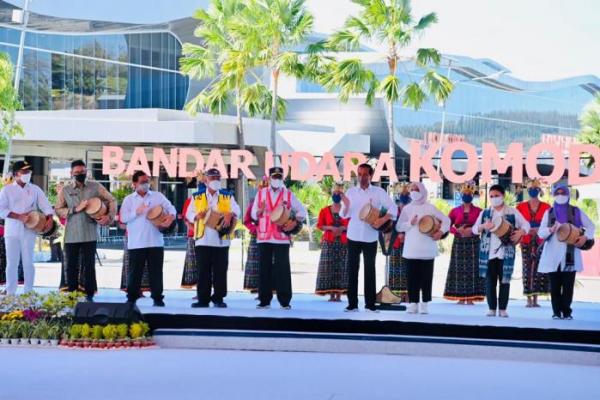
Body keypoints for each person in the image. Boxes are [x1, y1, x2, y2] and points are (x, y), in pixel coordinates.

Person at [56, 160, 116, 301]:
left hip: (89, 233)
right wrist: (74, 209)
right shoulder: (66, 190)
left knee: (89, 266)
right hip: (71, 235)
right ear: (71, 173)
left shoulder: (95, 187)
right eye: (76, 173)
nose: (80, 175)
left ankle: (89, 296)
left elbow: (112, 200)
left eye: (82, 172)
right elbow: (58, 209)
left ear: (86, 171)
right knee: (71, 266)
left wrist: (109, 217)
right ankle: (71, 295)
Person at [340, 163, 396, 312]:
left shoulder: (378, 192)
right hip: (353, 235)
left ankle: (370, 304)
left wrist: (383, 220)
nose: (362, 177)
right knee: (352, 269)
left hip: (370, 236)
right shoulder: (351, 192)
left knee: (370, 270)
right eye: (359, 174)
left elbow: (393, 208)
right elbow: (343, 214)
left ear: (370, 176)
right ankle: (352, 304)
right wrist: (345, 205)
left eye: (365, 174)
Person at [251, 167, 306, 310]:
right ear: (269, 178)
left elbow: (302, 211)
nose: (277, 179)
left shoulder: (288, 194)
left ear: (282, 178)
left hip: (281, 236)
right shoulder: (261, 193)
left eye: (279, 177)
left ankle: (285, 300)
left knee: (283, 269)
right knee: (264, 269)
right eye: (274, 177)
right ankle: (264, 300)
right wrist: (260, 211)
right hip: (264, 236)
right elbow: (252, 215)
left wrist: (294, 222)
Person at [538, 184, 595, 320]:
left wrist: (585, 236)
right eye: (558, 193)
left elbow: (591, 226)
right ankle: (556, 312)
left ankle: (567, 311)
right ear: (553, 195)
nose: (560, 195)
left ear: (568, 195)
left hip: (570, 254)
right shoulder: (549, 212)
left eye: (563, 193)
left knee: (568, 286)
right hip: (552, 253)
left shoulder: (576, 211)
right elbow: (541, 233)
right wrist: (550, 230)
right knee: (555, 286)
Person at [120, 171, 176, 306]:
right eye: (142, 182)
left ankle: (157, 298)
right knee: (135, 272)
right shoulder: (129, 200)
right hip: (136, 243)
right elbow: (123, 218)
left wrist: (170, 218)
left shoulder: (158, 196)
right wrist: (136, 212)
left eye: (147, 181)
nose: (145, 184)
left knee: (156, 272)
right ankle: (132, 298)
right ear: (134, 184)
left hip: (155, 241)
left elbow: (172, 209)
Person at [473, 184, 529, 317]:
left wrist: (520, 232)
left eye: (496, 196)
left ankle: (503, 309)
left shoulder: (512, 212)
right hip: (489, 253)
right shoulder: (485, 213)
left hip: (506, 252)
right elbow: (475, 229)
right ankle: (492, 308)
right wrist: (483, 226)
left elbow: (526, 224)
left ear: (503, 196)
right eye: (491, 196)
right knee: (490, 281)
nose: (494, 198)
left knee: (505, 281)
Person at [186, 168, 240, 308]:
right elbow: (188, 213)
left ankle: (218, 298)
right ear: (206, 180)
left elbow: (237, 210)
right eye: (212, 178)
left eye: (218, 178)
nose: (215, 180)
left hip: (221, 240)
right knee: (203, 271)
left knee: (220, 271)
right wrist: (196, 216)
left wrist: (231, 214)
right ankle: (203, 299)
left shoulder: (227, 196)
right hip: (202, 239)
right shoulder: (197, 196)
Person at [0, 161, 54, 295]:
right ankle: (10, 290)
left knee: (28, 261)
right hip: (12, 230)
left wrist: (49, 218)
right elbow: (1, 209)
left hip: (29, 230)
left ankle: (29, 291)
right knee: (12, 262)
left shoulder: (35, 189)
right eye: (24, 172)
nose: (27, 174)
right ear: (16, 174)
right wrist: (18, 216)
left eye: (29, 171)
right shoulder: (7, 190)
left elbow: (46, 205)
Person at [396, 182, 450, 314]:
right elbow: (399, 227)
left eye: (417, 189)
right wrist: (410, 223)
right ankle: (413, 303)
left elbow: (446, 220)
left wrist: (440, 232)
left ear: (423, 191)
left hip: (427, 250)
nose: (414, 191)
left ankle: (425, 303)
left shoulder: (430, 207)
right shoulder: (407, 209)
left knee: (426, 278)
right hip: (411, 250)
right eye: (412, 189)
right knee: (412, 278)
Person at [443, 182, 485, 305]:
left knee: (473, 269)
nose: (467, 195)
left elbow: (483, 226)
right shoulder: (454, 211)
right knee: (459, 269)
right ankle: (460, 297)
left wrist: (472, 231)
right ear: (461, 194)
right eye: (465, 193)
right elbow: (446, 225)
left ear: (473, 194)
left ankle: (471, 297)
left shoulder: (479, 211)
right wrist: (456, 231)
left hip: (474, 242)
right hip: (459, 242)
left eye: (469, 193)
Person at [516, 179, 551, 307]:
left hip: (541, 241)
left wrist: (539, 230)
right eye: (530, 189)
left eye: (535, 189)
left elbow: (550, 223)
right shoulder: (520, 207)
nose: (533, 191)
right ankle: (528, 300)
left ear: (539, 190)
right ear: (527, 190)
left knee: (539, 270)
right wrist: (525, 230)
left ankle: (536, 299)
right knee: (526, 270)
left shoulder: (547, 207)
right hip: (526, 240)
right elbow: (517, 223)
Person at [315, 184, 349, 301]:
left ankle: (339, 294)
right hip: (329, 242)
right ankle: (331, 294)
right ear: (331, 194)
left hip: (343, 243)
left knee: (341, 267)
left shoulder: (346, 210)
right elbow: (320, 225)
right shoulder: (324, 210)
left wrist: (342, 229)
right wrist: (330, 227)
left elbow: (351, 224)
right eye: (335, 193)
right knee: (328, 267)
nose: (336, 196)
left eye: (339, 194)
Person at [386, 183, 411, 301]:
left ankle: (409, 295)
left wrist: (406, 236)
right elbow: (387, 228)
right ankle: (397, 296)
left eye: (406, 194)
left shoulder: (412, 210)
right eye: (402, 194)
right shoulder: (393, 211)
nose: (404, 196)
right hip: (395, 244)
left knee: (409, 269)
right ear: (398, 196)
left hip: (410, 244)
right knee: (396, 270)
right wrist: (397, 237)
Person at [243, 178, 268, 294]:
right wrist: (254, 229)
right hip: (256, 236)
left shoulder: (276, 203)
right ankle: (255, 287)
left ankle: (270, 287)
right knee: (255, 262)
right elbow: (246, 221)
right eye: (262, 188)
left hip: (269, 236)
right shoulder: (253, 204)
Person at [181, 174, 205, 292]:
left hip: (209, 237)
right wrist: (195, 229)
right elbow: (186, 219)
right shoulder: (191, 200)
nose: (202, 186)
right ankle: (199, 290)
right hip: (194, 236)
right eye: (200, 183)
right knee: (196, 265)